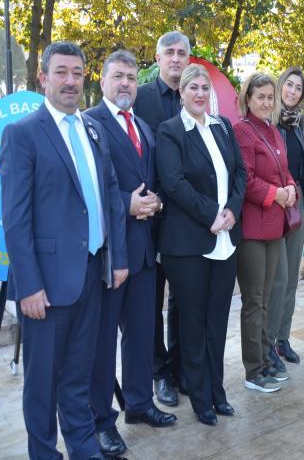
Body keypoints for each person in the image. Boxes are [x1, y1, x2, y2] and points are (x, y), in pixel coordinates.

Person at [0, 41, 127, 459]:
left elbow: (109, 195)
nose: (70, 81)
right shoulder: (23, 135)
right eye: (61, 72)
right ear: (43, 78)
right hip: (47, 286)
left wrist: (117, 259)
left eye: (77, 73)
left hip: (92, 274)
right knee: (42, 383)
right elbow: (16, 219)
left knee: (78, 373)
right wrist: (29, 287)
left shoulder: (91, 128)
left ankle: (82, 445)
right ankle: (43, 452)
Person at [87, 50, 175, 458]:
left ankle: (139, 405)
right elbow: (87, 190)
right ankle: (101, 422)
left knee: (141, 335)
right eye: (118, 76)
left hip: (143, 251)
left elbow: (149, 179)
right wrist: (127, 203)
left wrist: (153, 201)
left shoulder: (142, 125)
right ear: (102, 81)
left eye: (131, 78)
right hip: (107, 256)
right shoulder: (89, 124)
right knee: (103, 344)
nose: (125, 83)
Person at [156, 63, 247, 425]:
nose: (199, 93)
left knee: (217, 321)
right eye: (192, 87)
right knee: (192, 325)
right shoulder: (170, 131)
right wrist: (213, 213)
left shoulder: (222, 127)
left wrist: (232, 212)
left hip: (226, 239)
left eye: (204, 88)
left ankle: (218, 391)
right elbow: (174, 183)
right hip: (189, 244)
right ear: (181, 92)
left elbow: (239, 172)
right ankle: (200, 398)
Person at [133, 30, 190, 406]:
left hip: (187, 220)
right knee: (151, 302)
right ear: (157, 57)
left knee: (183, 299)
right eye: (168, 52)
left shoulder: (197, 99)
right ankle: (159, 373)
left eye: (181, 53)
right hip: (149, 219)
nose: (174, 58)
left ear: (189, 58)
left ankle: (181, 366)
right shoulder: (141, 99)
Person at [235, 72, 297, 394]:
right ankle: (253, 369)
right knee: (254, 299)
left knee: (267, 297)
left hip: (275, 225)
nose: (266, 102)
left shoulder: (273, 132)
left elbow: (284, 169)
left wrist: (291, 189)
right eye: (260, 96)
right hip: (253, 228)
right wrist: (276, 194)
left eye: (270, 97)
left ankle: (265, 357)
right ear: (248, 99)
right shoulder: (242, 131)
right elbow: (245, 179)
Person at [267, 67, 304, 369]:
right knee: (278, 277)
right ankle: (269, 340)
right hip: (274, 200)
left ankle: (283, 338)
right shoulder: (268, 121)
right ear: (280, 85)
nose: (293, 91)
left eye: (299, 88)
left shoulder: (302, 125)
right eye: (289, 85)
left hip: (297, 201)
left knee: (291, 280)